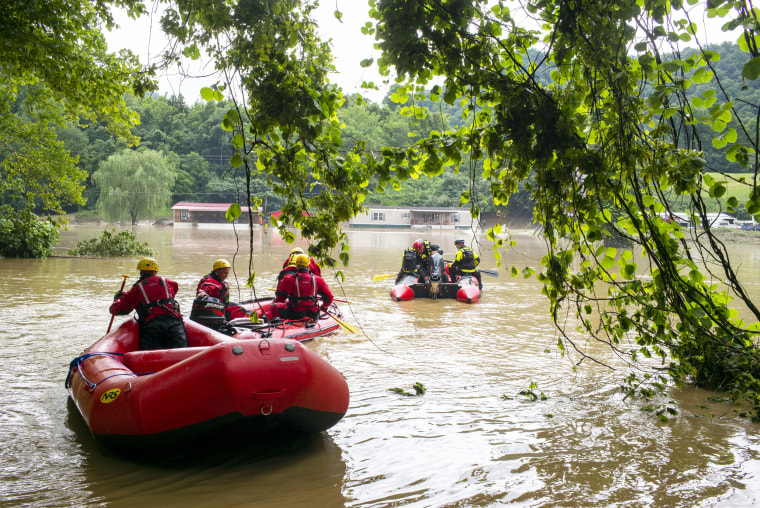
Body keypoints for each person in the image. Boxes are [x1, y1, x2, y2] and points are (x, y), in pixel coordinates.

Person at [109, 258, 188, 350]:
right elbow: (174, 290)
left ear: (141, 273)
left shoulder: (136, 289)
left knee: (152, 357)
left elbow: (118, 309)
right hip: (174, 324)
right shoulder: (167, 282)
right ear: (155, 271)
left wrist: (118, 298)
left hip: (153, 327)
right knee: (181, 352)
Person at [271, 254, 333, 321]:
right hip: (313, 313)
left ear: (296, 266)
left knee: (274, 307)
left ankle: (272, 324)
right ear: (308, 266)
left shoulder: (288, 279)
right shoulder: (318, 279)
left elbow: (280, 296)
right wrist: (324, 307)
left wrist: (284, 302)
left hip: (294, 313)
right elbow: (329, 297)